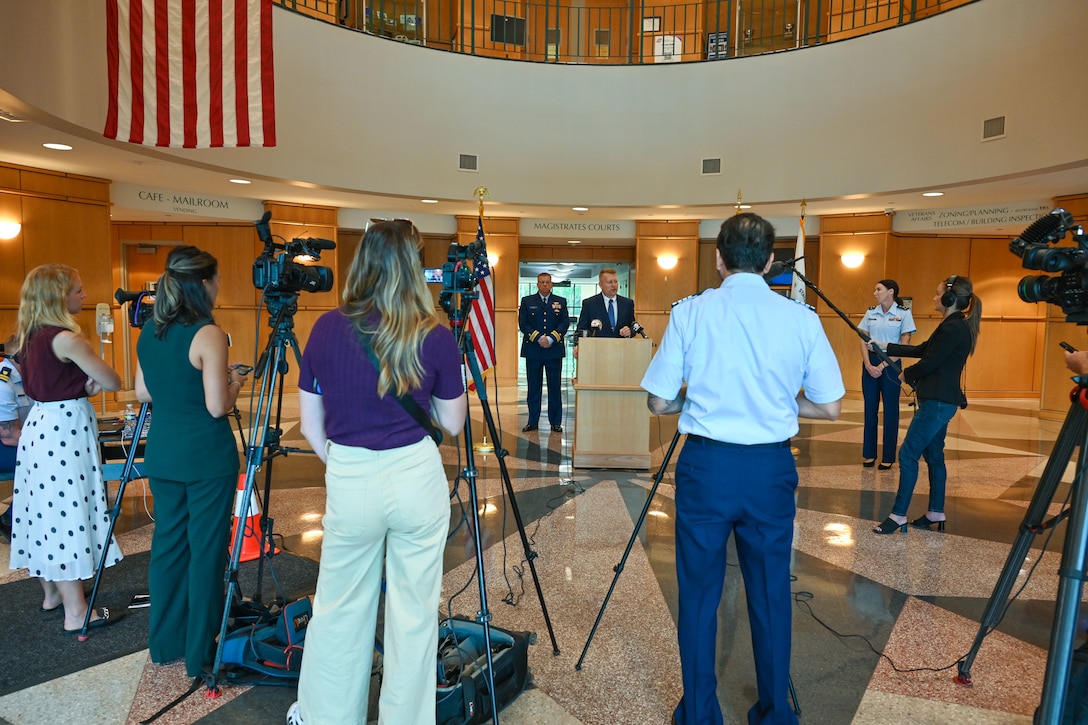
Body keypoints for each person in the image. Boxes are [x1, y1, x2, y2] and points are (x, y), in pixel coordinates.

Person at [641, 213, 844, 725]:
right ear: (772, 260)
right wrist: (773, 403)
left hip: (706, 467)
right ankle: (777, 713)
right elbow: (830, 408)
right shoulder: (800, 319)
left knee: (699, 594)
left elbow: (658, 402)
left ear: (718, 259)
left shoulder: (690, 312)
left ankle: (700, 714)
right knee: (771, 592)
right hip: (770, 469)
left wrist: (704, 398)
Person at [288, 219, 467, 725]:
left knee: (340, 605)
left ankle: (326, 715)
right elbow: (452, 424)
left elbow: (310, 426)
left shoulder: (325, 328)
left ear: (362, 262)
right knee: (413, 614)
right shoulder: (435, 335)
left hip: (350, 473)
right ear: (413, 268)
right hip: (415, 475)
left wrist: (347, 462)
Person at [134, 245, 246, 676]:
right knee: (206, 552)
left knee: (167, 549)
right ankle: (200, 650)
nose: (219, 288)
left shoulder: (150, 329)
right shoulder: (209, 333)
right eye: (217, 280)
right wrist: (233, 380)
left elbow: (144, 391)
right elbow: (218, 406)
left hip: (163, 452)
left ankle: (164, 643)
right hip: (205, 458)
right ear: (203, 283)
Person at [8, 264, 125, 634]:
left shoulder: (26, 337)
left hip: (39, 426)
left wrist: (80, 385)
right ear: (59, 296)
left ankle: (52, 594)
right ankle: (77, 613)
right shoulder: (68, 339)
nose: (84, 295)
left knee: (42, 512)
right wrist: (91, 384)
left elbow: (54, 382)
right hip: (65, 431)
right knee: (66, 514)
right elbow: (112, 379)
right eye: (78, 290)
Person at [871, 274, 981, 535]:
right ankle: (935, 510)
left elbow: (931, 362)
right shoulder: (952, 325)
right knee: (933, 455)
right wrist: (886, 345)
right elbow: (923, 350)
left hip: (937, 402)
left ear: (949, 298)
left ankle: (898, 515)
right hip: (941, 400)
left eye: (937, 293)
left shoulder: (953, 328)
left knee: (908, 454)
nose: (933, 297)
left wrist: (906, 374)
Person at [857, 279, 915, 469]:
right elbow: (862, 338)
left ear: (891, 291)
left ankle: (888, 456)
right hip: (870, 363)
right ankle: (869, 454)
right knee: (869, 409)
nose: (875, 292)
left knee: (891, 411)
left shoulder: (903, 314)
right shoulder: (870, 312)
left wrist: (882, 366)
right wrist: (867, 364)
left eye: (879, 289)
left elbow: (904, 346)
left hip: (891, 363)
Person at [519, 272, 569, 433]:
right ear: (537, 284)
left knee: (555, 387)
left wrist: (552, 338)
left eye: (548, 282)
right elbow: (523, 324)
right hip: (534, 350)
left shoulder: (560, 301)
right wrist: (539, 338)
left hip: (553, 351)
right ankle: (533, 421)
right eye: (542, 282)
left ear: (551, 284)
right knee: (534, 387)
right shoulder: (527, 301)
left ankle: (555, 422)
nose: (545, 285)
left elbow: (564, 323)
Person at [0, 337, 33, 541]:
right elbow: (8, 436)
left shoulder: (27, 377)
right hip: (4, 444)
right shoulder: (3, 382)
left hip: (15, 440)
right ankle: (11, 518)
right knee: (42, 461)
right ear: (22, 357)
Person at [573, 267, 635, 356]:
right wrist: (578, 345)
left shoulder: (627, 303)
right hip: (597, 353)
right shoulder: (590, 304)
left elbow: (633, 326)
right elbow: (582, 329)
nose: (614, 285)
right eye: (610, 282)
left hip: (622, 352)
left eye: (615, 281)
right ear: (600, 284)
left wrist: (629, 332)